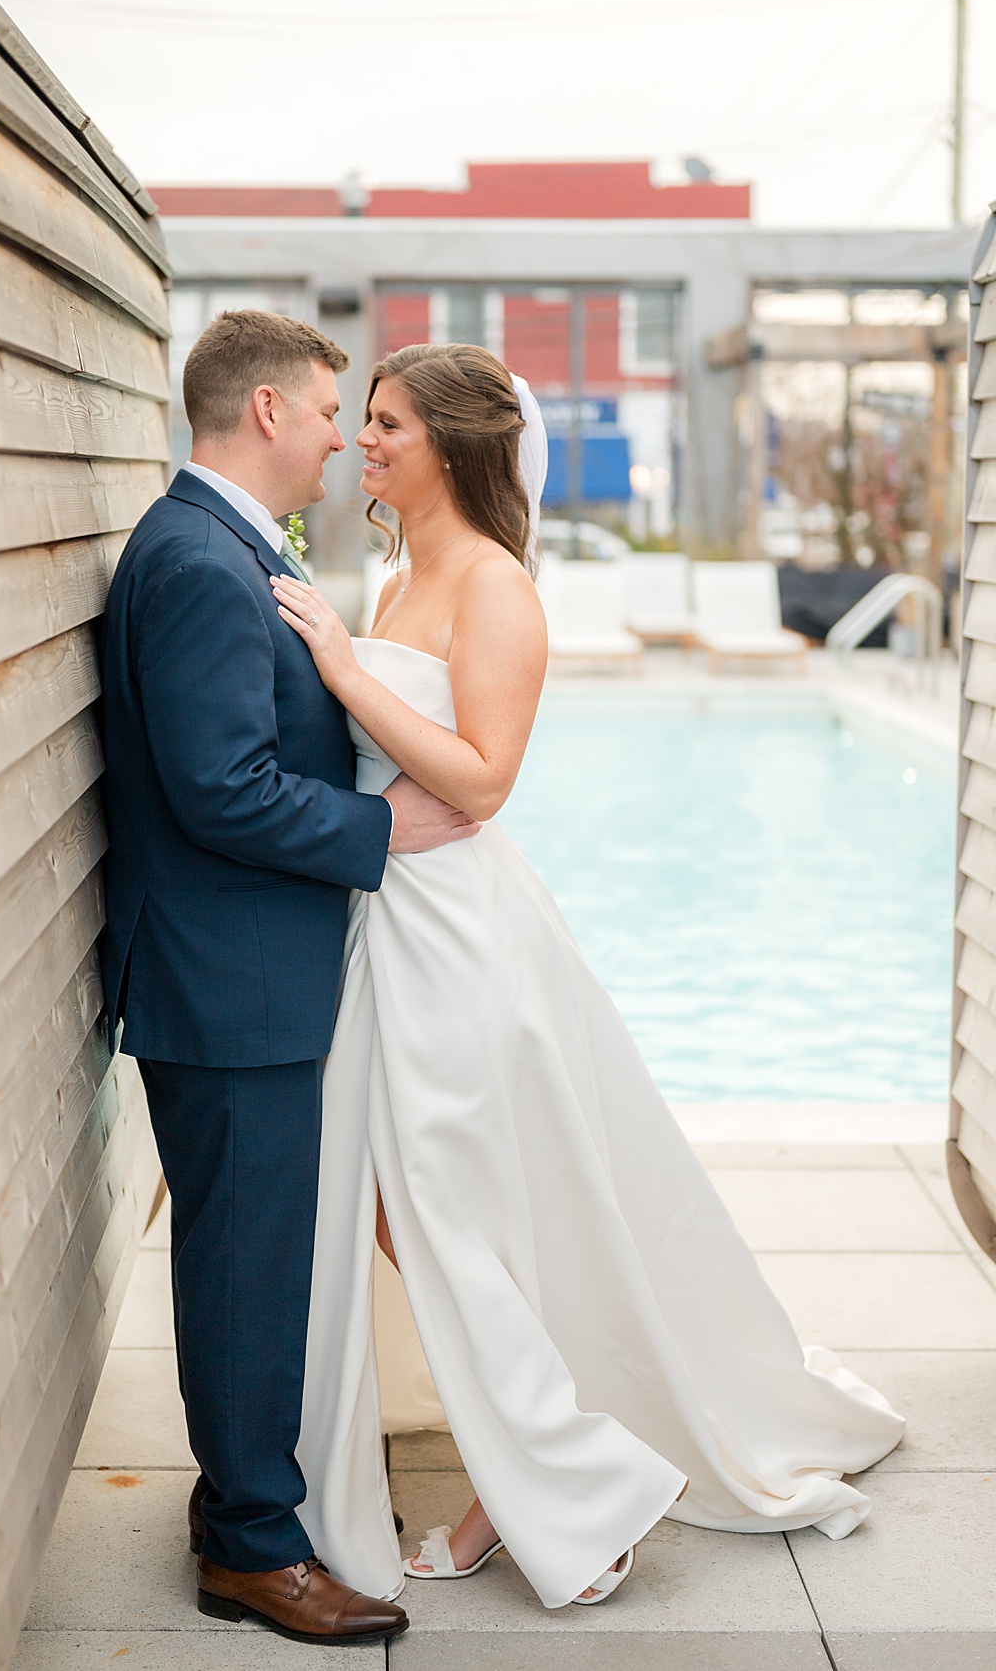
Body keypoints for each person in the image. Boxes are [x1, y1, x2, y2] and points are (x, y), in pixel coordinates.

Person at [272, 341, 904, 1610]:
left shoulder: (496, 586)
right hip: (383, 921)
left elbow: (485, 775)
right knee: (417, 1218)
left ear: (446, 445)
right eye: (364, 420)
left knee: (444, 1221)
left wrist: (342, 669)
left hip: (458, 938)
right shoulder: (400, 574)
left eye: (386, 423)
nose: (363, 443)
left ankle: (564, 1491)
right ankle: (541, 1462)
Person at [96, 310, 482, 1647]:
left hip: (241, 965)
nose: (341, 438)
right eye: (329, 412)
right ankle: (256, 1545)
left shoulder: (215, 546)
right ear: (265, 410)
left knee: (248, 1259)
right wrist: (386, 834)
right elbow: (221, 792)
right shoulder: (200, 563)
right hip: (229, 975)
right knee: (247, 1267)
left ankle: (246, 1511)